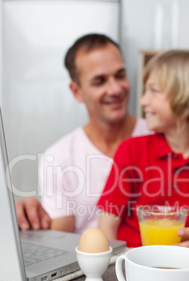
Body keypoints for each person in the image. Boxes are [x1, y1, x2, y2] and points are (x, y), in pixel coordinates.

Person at [97, 49, 189, 256]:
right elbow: (107, 225)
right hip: (132, 262)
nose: (143, 101)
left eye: (153, 91)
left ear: (188, 99)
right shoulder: (131, 150)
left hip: (186, 264)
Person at [15, 33, 149, 233]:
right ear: (77, 91)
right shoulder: (58, 157)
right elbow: (61, 236)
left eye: (120, 75)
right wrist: (33, 220)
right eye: (99, 81)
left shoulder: (163, 137)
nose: (115, 89)